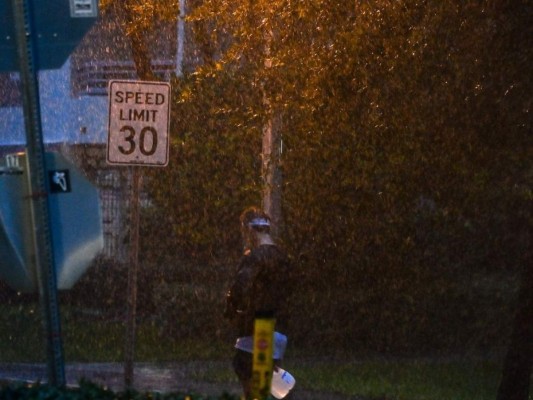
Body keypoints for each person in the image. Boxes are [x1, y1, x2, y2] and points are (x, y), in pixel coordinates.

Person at [224, 206, 293, 399]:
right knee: (264, 379)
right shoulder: (283, 258)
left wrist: (232, 308)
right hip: (278, 327)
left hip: (260, 328)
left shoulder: (255, 258)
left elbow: (240, 288)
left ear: (250, 230)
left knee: (248, 374)